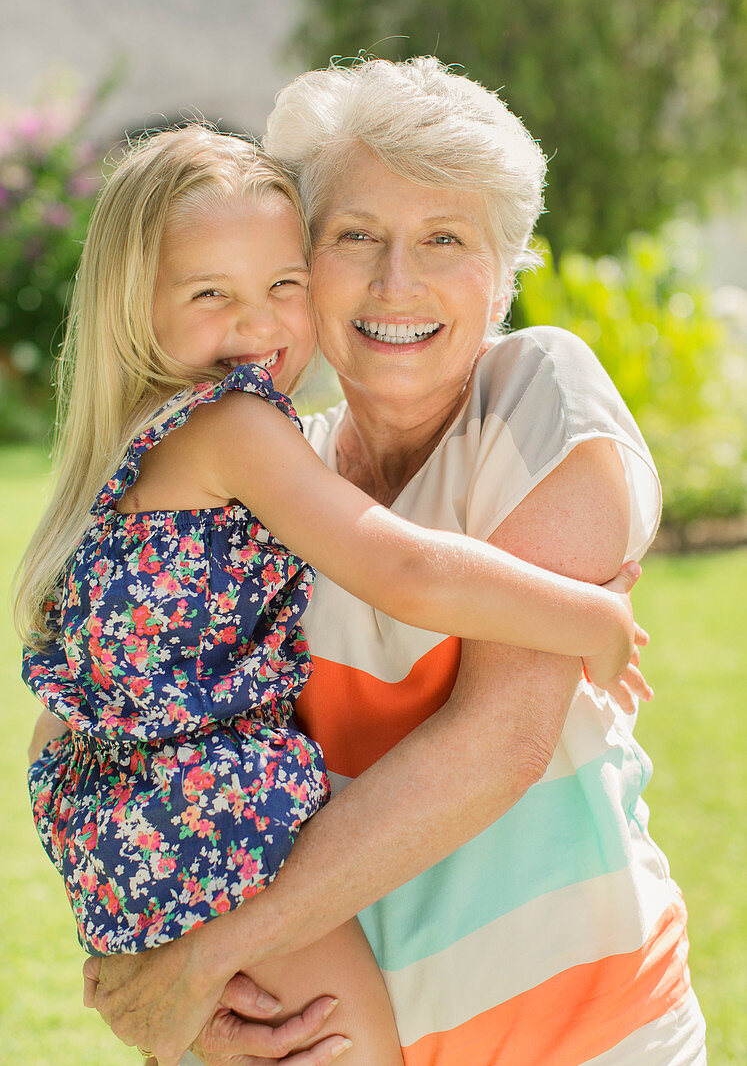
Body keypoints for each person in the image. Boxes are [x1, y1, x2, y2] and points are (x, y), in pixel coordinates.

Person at [18, 123, 650, 1066]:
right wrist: (587, 613)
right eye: (209, 294)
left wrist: (159, 956)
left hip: (136, 834)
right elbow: (404, 569)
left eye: (280, 287)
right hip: (214, 824)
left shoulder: (141, 456)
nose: (257, 325)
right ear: (133, 308)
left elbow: (67, 714)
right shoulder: (237, 432)